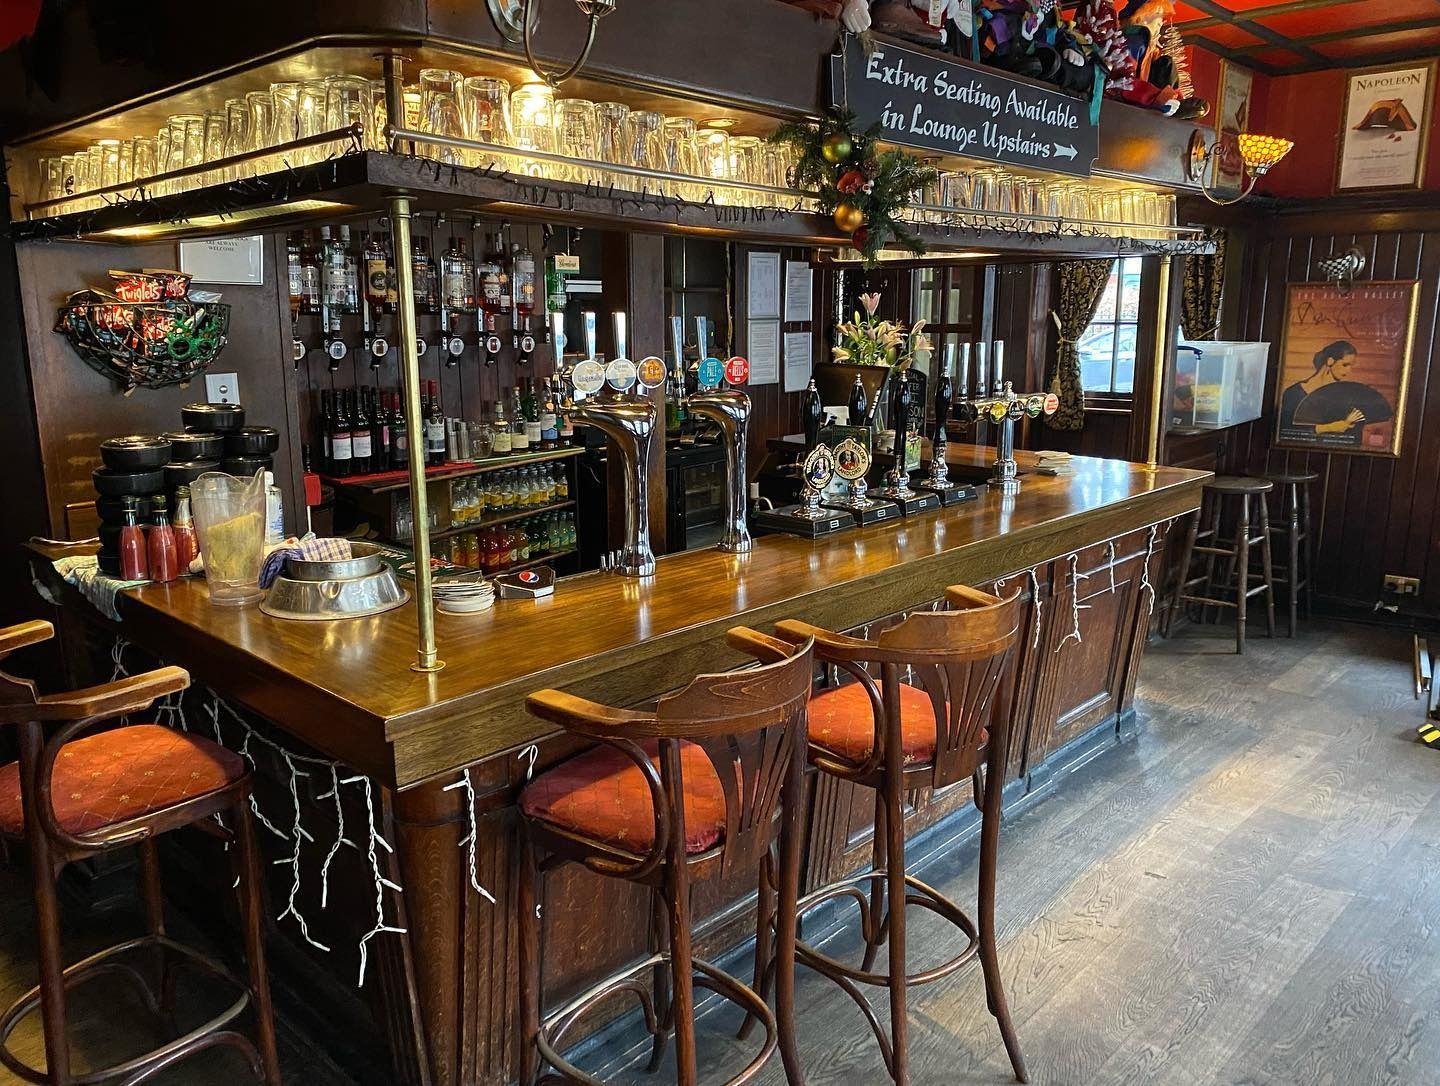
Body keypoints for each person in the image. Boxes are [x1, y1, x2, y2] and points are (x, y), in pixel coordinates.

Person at [1278, 339, 1367, 442]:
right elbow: (1284, 431)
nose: (1349, 370)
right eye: (1345, 364)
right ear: (1330, 361)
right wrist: (1330, 427)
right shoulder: (1293, 393)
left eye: (1351, 366)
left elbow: (1354, 439)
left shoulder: (1346, 397)